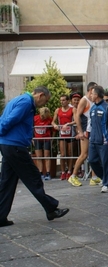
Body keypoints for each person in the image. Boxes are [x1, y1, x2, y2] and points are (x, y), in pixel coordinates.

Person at [0, 86, 69, 227]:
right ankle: (51, 209)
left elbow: (6, 118)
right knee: (34, 177)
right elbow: (10, 120)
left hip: (8, 145)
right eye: (46, 100)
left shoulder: (19, 99)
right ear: (40, 95)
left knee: (7, 182)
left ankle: (0, 217)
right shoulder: (26, 102)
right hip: (15, 146)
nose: (44, 104)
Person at [69, 82, 100, 187]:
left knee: (94, 154)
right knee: (84, 154)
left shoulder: (94, 100)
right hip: (86, 131)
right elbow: (77, 116)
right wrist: (80, 131)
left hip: (93, 130)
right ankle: (73, 176)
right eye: (95, 88)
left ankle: (94, 177)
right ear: (91, 89)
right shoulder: (84, 100)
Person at [52, 94, 74, 180]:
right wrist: (55, 125)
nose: (62, 102)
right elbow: (53, 121)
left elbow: (76, 120)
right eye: (61, 100)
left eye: (64, 100)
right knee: (63, 154)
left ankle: (69, 171)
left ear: (68, 101)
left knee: (69, 154)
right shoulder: (58, 110)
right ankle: (63, 172)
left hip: (71, 134)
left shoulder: (73, 109)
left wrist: (69, 124)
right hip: (62, 134)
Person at [33, 107, 53, 181]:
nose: (43, 118)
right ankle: (40, 173)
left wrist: (52, 139)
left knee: (47, 156)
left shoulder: (49, 119)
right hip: (37, 139)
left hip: (46, 139)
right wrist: (32, 138)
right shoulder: (35, 118)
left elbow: (52, 130)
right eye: (42, 116)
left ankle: (48, 173)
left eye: (44, 117)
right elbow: (31, 128)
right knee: (39, 157)